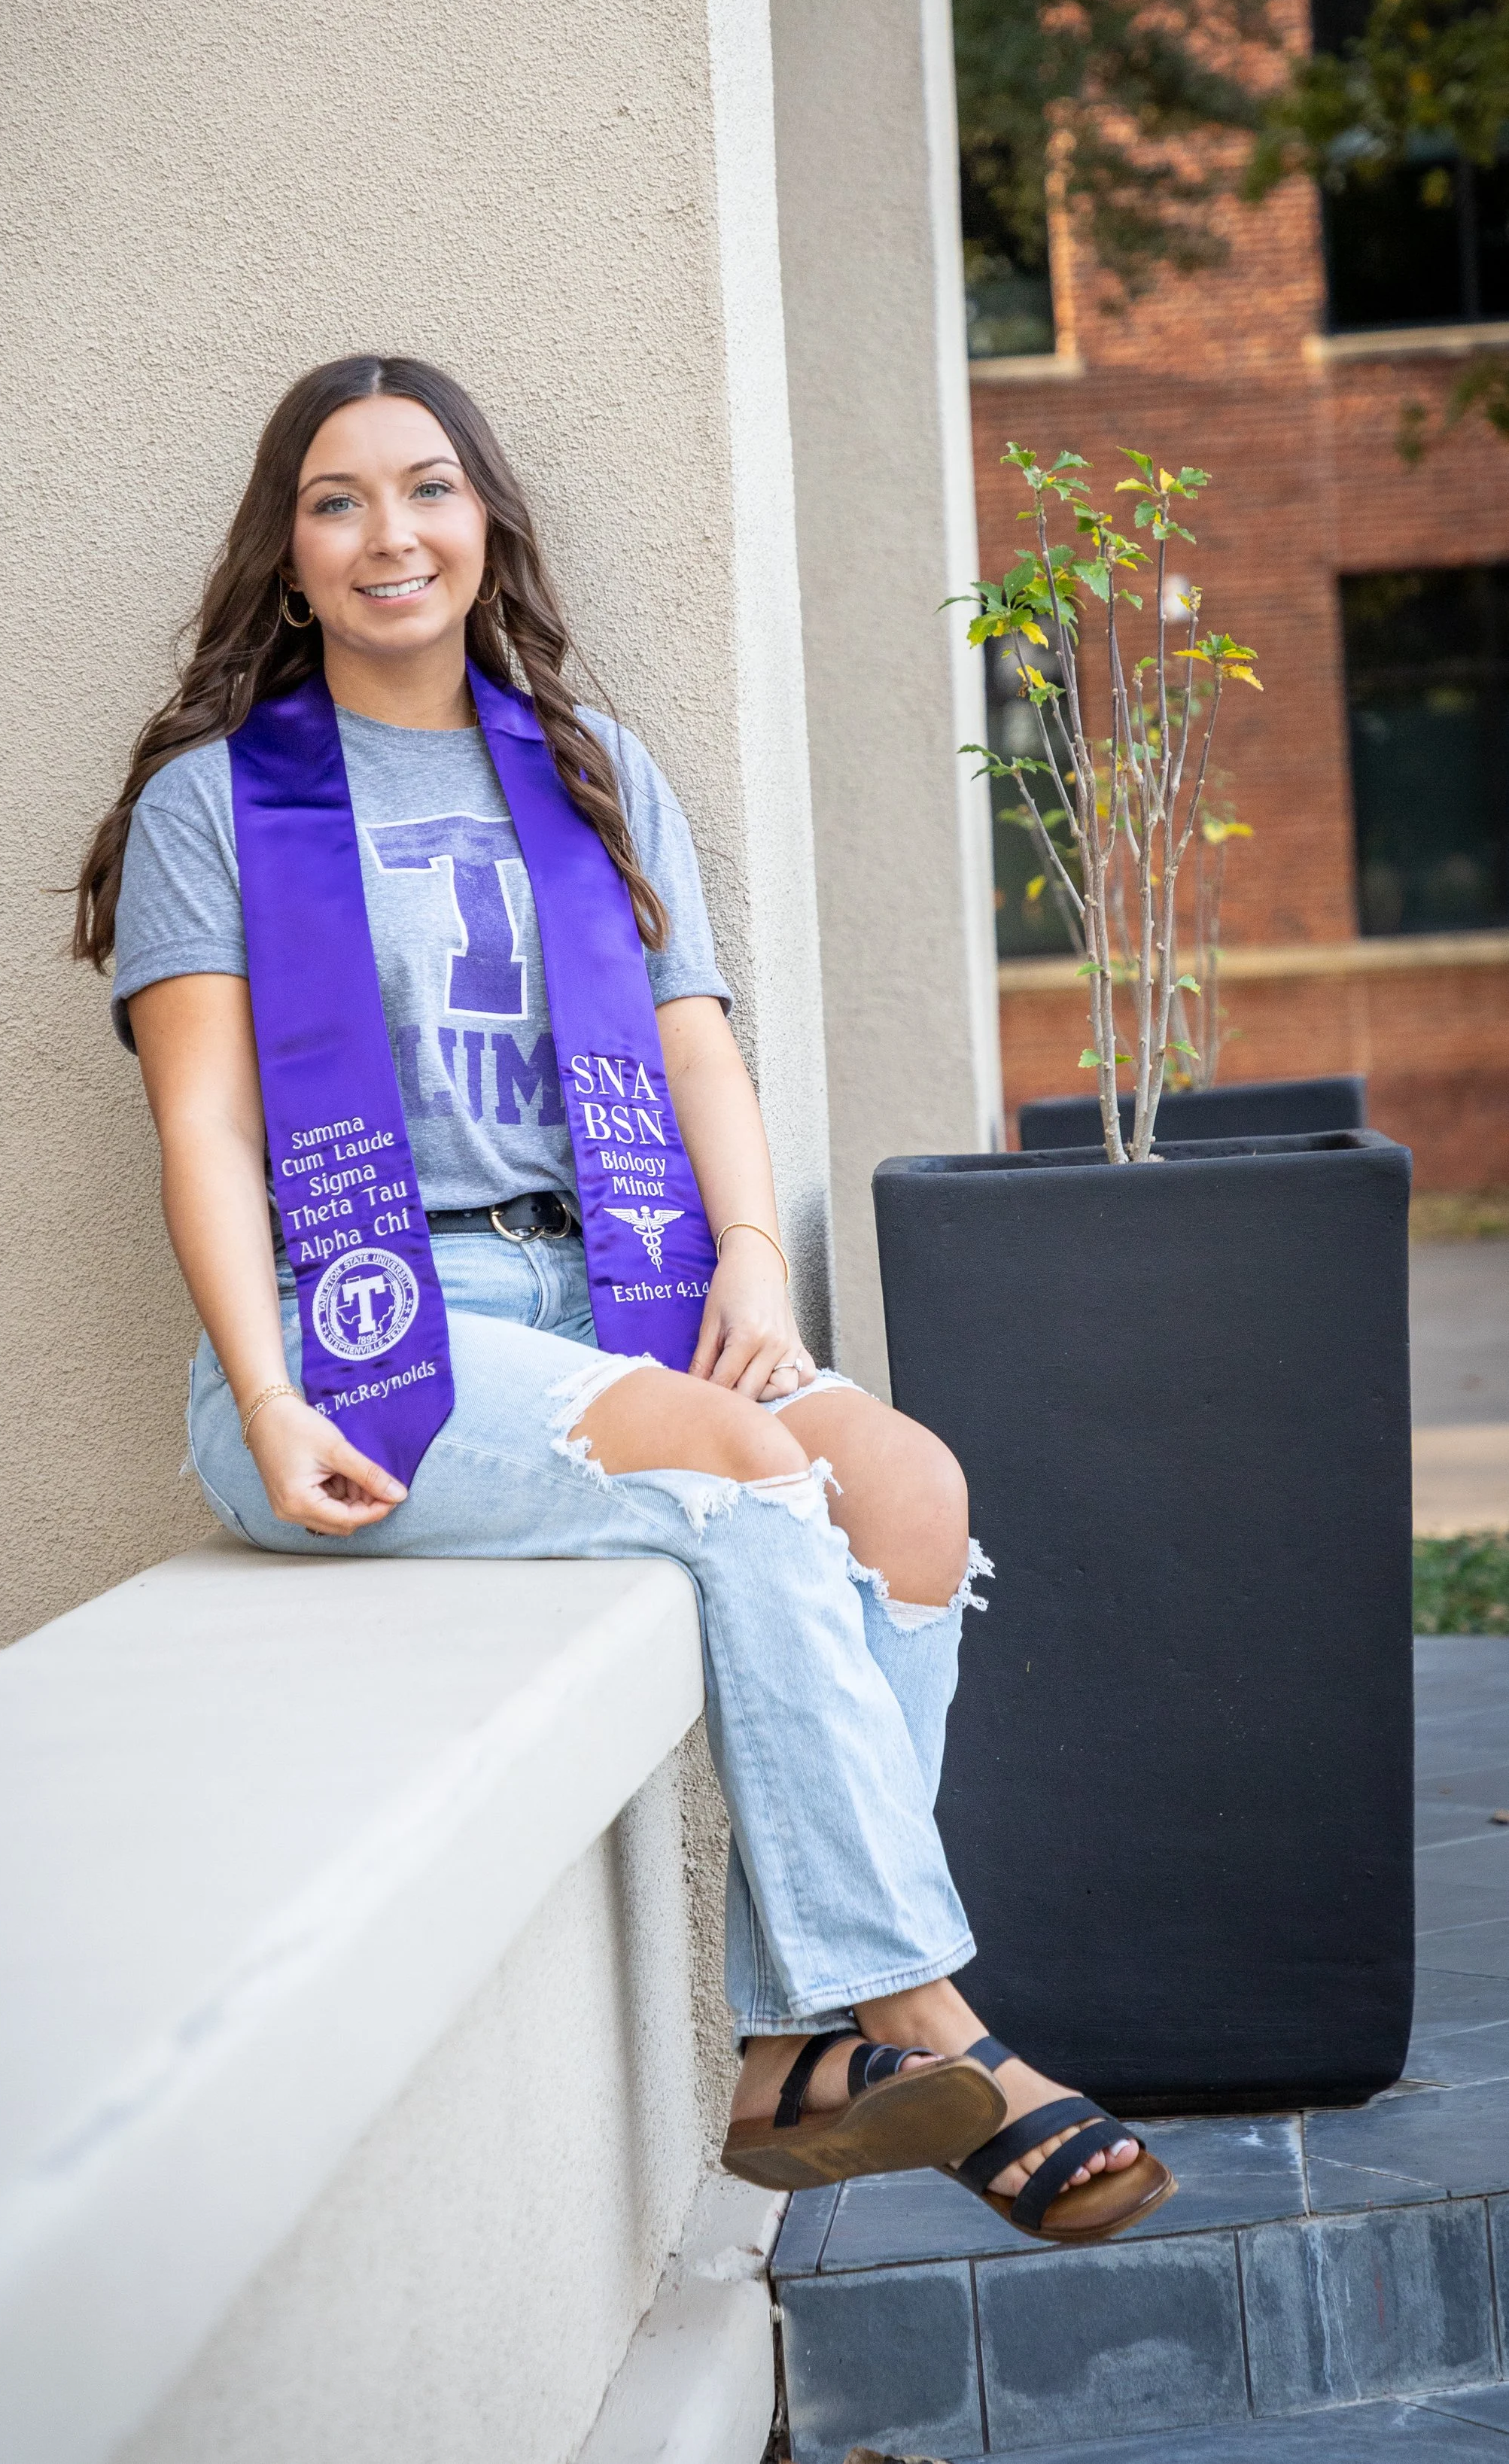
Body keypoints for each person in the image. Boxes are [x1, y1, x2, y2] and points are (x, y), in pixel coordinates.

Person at [74, 353, 1173, 2242]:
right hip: (368, 1329)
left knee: (902, 1490)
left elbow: (697, 1060)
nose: (387, 534)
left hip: (620, 1285)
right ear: (288, 552)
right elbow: (205, 1132)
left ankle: (778, 2051)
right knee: (741, 1469)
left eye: (426, 489)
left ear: (485, 519)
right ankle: (920, 2015)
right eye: (336, 501)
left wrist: (750, 1257)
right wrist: (265, 1395)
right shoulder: (215, 804)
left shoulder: (590, 770)